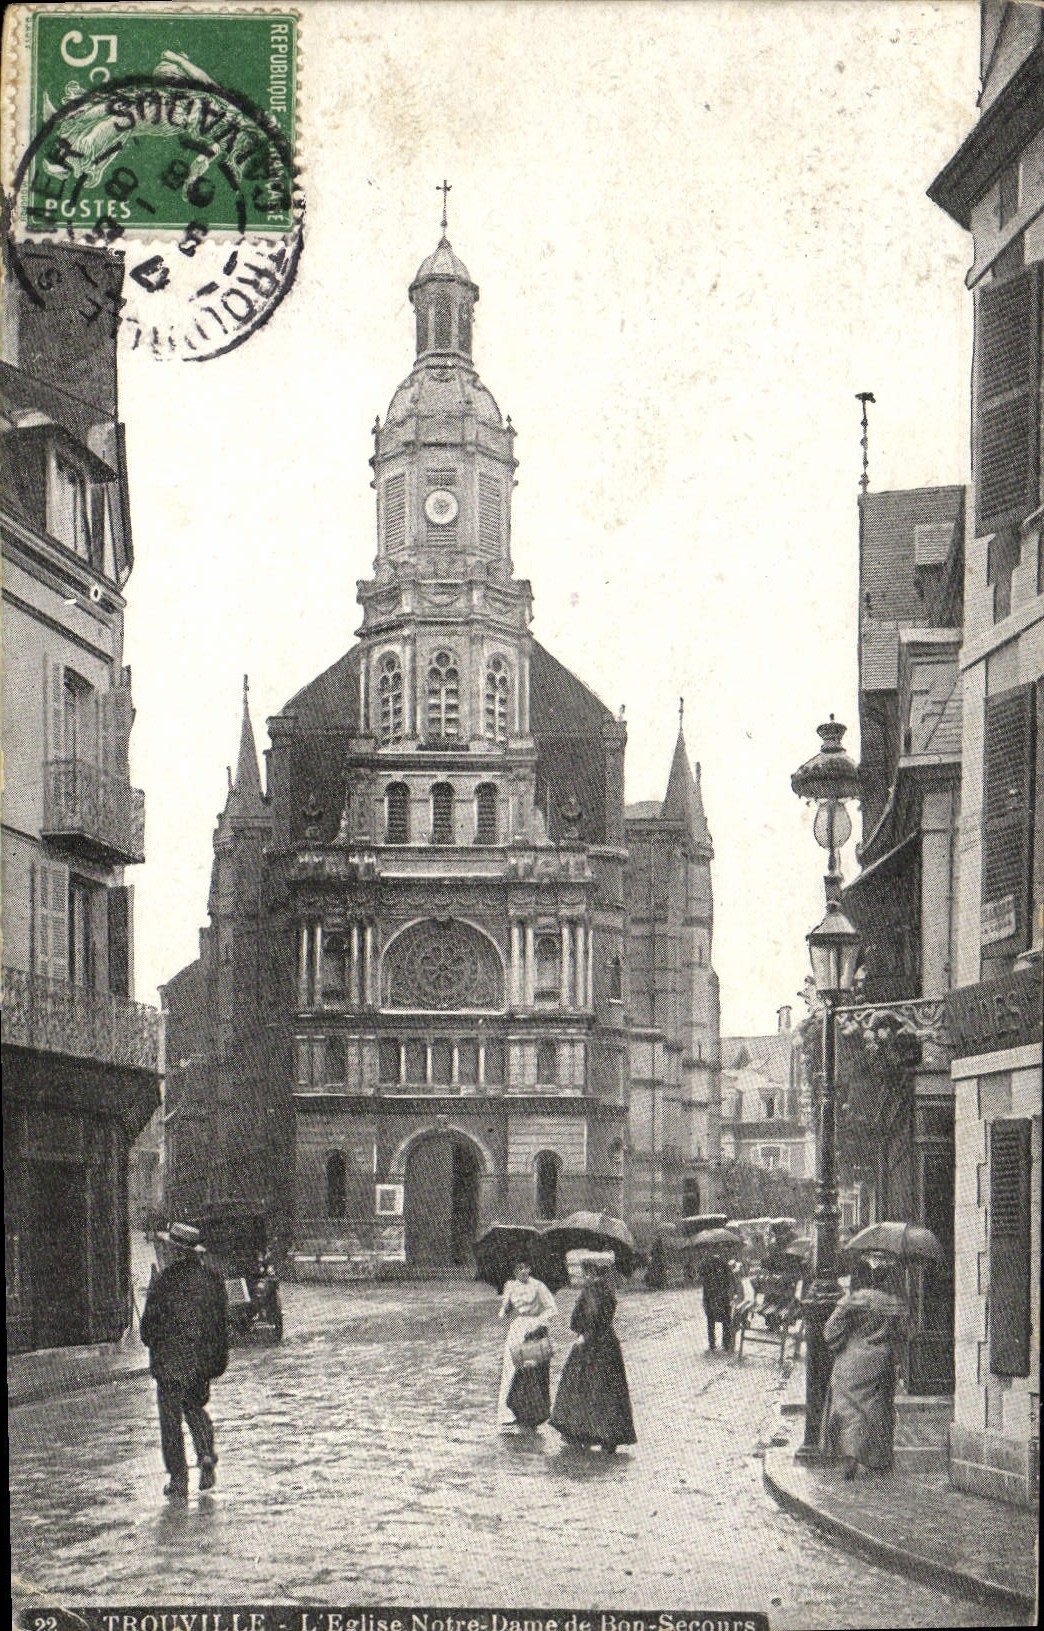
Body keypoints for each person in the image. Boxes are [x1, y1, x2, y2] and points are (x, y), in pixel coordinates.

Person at [140, 1222, 230, 1499]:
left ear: (173, 1251)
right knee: (194, 1408)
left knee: (170, 1420)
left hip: (169, 1363)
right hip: (200, 1362)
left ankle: (178, 1479)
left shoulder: (163, 1283)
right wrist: (213, 1363)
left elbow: (148, 1330)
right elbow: (221, 1327)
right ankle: (205, 1456)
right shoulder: (212, 1281)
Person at [820, 1261, 908, 1479]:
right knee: (878, 1409)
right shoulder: (895, 1304)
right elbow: (906, 1334)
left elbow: (830, 1332)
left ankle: (849, 1457)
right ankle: (878, 1458)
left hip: (851, 1361)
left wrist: (840, 1343)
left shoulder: (852, 1301)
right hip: (882, 1363)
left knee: (848, 1410)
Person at [549, 1269, 636, 1453]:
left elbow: (575, 1321)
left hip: (589, 1345)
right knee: (610, 1390)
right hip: (609, 1345)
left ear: (588, 1273)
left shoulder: (588, 1291)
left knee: (582, 1388)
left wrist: (584, 1331)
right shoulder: (609, 1291)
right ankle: (610, 1436)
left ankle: (582, 1432)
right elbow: (604, 1316)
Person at [497, 1259, 558, 1429]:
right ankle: (509, 1412)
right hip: (517, 1329)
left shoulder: (539, 1286)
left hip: (535, 1330)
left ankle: (533, 1413)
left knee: (532, 1371)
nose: (523, 1271)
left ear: (530, 1268)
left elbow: (553, 1309)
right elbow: (503, 1314)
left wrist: (538, 1320)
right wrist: (506, 1306)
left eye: (525, 1267)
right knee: (511, 1368)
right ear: (514, 1271)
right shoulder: (510, 1286)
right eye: (519, 1268)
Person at [698, 1250, 735, 1351]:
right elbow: (730, 1279)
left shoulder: (704, 1263)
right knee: (727, 1319)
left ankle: (712, 1343)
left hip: (709, 1296)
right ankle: (726, 1343)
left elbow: (700, 1278)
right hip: (723, 1297)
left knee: (710, 1320)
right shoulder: (724, 1263)